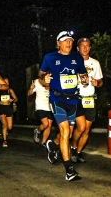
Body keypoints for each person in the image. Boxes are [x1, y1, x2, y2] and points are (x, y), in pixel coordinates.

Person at [38, 31, 88, 181]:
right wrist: (44, 79)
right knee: (65, 132)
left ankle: (52, 145)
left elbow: (83, 75)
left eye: (70, 41)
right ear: (58, 43)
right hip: (57, 99)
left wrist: (85, 80)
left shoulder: (76, 57)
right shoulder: (50, 57)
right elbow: (40, 76)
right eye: (65, 41)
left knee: (69, 133)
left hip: (72, 100)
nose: (68, 43)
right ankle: (69, 171)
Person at [70, 38, 103, 163]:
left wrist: (96, 82)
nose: (85, 48)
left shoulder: (95, 63)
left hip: (90, 99)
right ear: (77, 48)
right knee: (81, 127)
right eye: (82, 46)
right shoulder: (72, 62)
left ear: (90, 48)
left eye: (87, 46)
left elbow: (100, 82)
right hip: (77, 98)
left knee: (87, 129)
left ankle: (78, 152)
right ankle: (73, 146)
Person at [27, 78, 54, 147]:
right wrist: (31, 88)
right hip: (40, 106)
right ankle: (38, 130)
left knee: (49, 125)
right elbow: (29, 93)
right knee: (45, 124)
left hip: (50, 107)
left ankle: (43, 142)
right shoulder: (37, 82)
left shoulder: (53, 81)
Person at [0, 77, 18, 147]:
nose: (6, 83)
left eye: (7, 82)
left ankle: (4, 131)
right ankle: (5, 141)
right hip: (1, 108)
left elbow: (16, 99)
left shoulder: (10, 90)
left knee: (9, 127)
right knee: (5, 125)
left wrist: (13, 100)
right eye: (5, 82)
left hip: (8, 108)